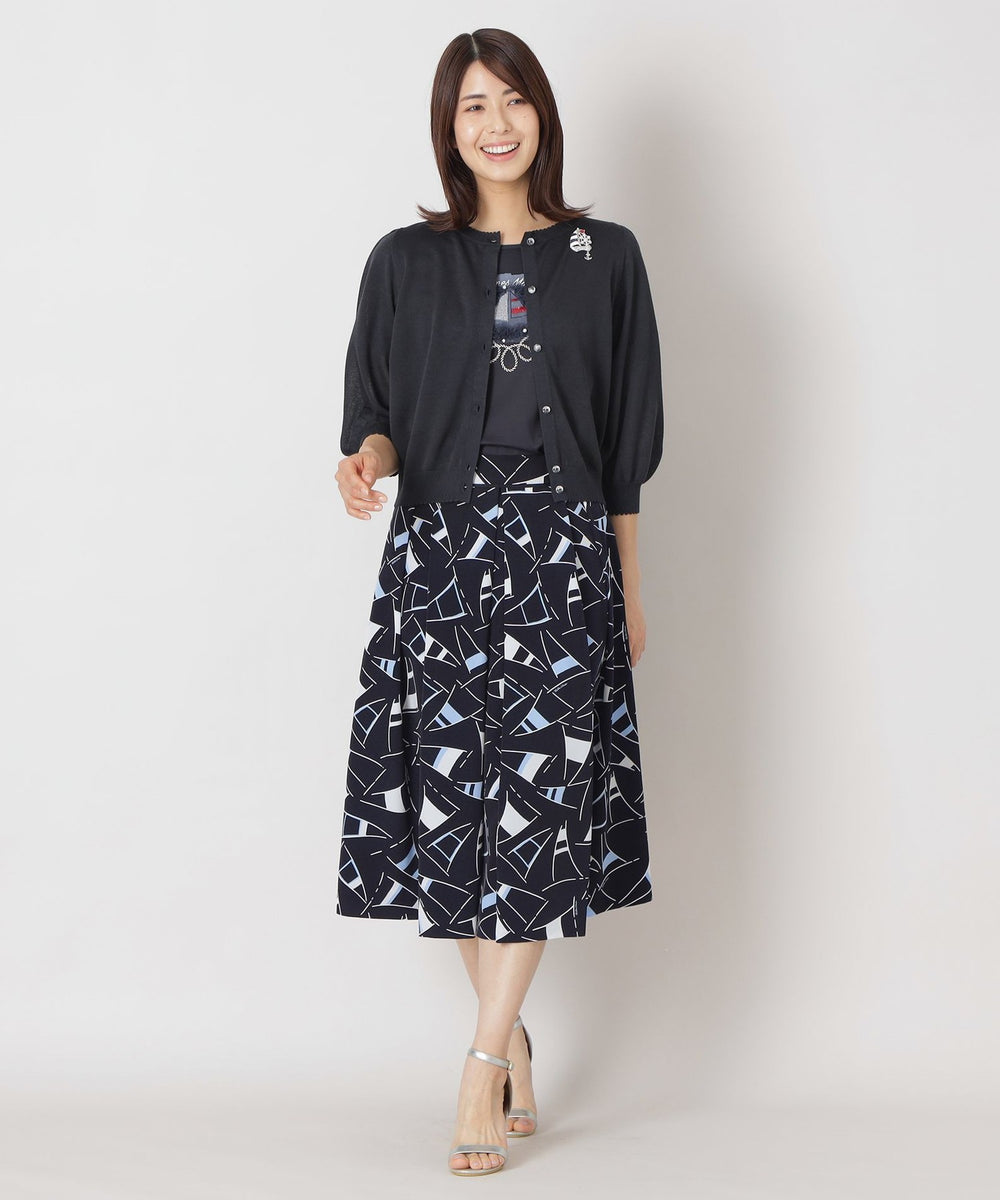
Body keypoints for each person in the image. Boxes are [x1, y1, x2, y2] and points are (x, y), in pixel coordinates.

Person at [334, 28, 664, 1177]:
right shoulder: (403, 261)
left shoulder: (604, 257)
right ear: (449, 125)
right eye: (473, 104)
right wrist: (365, 461)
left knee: (537, 811)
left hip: (562, 558)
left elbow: (625, 445)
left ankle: (480, 1067)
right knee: (456, 815)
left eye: (513, 99)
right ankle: (513, 1035)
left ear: (542, 116)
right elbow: (375, 410)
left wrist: (626, 587)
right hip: (439, 558)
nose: (495, 123)